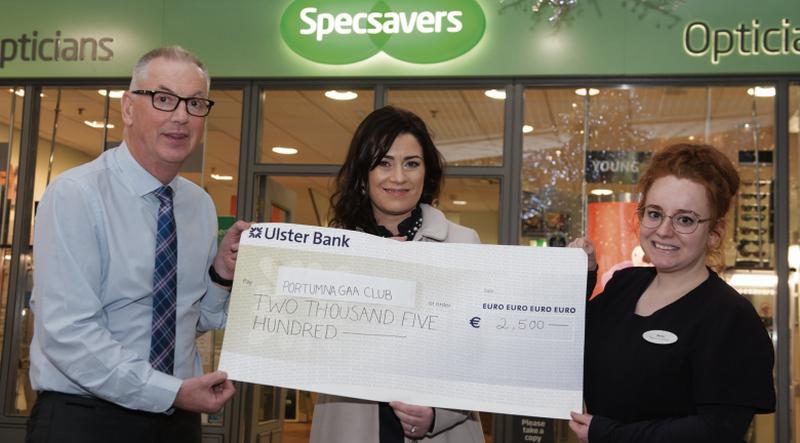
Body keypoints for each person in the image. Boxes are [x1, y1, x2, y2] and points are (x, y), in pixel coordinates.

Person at [26, 46, 249, 443]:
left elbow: (188, 319)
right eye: (163, 99)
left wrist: (220, 276)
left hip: (177, 421)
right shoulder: (76, 195)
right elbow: (68, 334)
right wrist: (172, 391)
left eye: (195, 103)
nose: (181, 116)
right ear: (128, 108)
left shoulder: (199, 205)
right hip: (87, 419)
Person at [569, 143, 776, 442]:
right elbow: (562, 336)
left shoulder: (731, 318)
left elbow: (717, 430)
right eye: (654, 213)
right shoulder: (623, 286)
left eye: (685, 219)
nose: (664, 231)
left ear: (715, 232)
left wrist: (610, 434)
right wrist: (581, 275)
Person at [309, 106, 485, 443]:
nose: (399, 177)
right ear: (363, 175)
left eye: (411, 163)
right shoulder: (332, 251)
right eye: (384, 163)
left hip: (441, 432)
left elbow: (481, 351)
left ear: (426, 173)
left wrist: (438, 414)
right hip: (351, 426)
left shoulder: (464, 243)